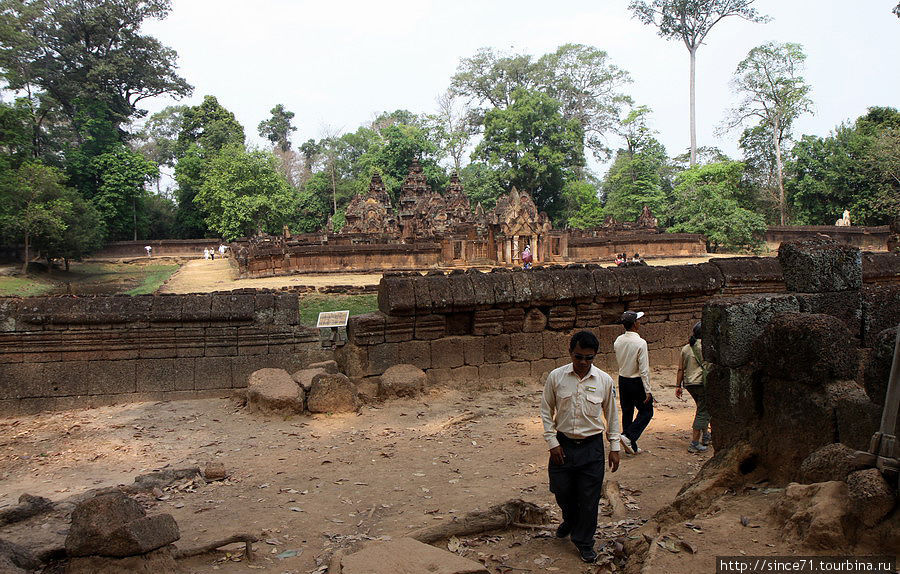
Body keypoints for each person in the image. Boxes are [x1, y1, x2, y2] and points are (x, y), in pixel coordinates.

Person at [541, 331, 621, 564]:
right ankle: (570, 518)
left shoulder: (604, 380)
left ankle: (584, 541)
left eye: (589, 358)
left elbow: (612, 414)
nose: (583, 363)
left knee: (589, 498)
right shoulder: (556, 377)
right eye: (579, 357)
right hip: (562, 445)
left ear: (595, 357)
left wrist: (614, 446)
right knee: (561, 491)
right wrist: (552, 442)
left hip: (592, 448)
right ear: (570, 353)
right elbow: (546, 410)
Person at [613, 311, 653, 455]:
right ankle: (629, 436)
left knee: (627, 411)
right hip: (636, 381)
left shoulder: (618, 340)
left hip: (623, 379)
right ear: (635, 324)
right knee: (647, 411)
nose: (640, 322)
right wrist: (647, 389)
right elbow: (643, 369)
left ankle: (631, 446)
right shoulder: (640, 343)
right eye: (638, 320)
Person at [676, 322, 711, 453]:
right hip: (702, 383)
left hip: (690, 384)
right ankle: (695, 443)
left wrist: (677, 386)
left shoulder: (686, 348)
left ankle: (706, 436)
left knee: (702, 408)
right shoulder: (707, 347)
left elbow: (680, 369)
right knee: (703, 411)